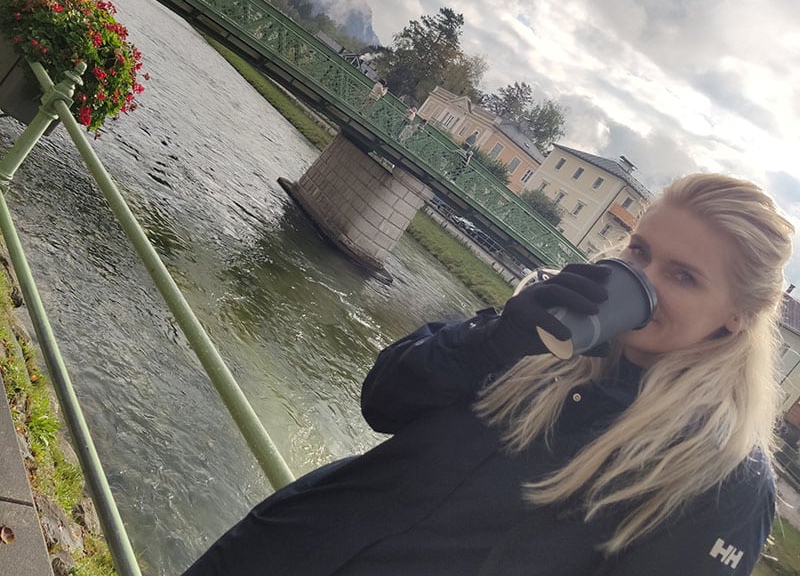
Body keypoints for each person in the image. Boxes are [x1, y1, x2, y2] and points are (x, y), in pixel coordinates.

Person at [183, 173, 794, 575]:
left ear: (736, 317)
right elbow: (381, 401)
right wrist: (493, 339)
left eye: (684, 276)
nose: (645, 280)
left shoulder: (722, 476)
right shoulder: (537, 328)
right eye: (639, 251)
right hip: (274, 552)